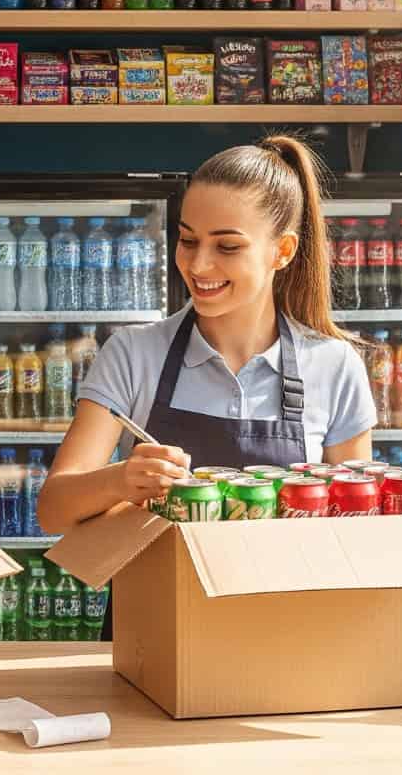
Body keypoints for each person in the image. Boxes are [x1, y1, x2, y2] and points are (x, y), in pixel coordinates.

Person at [36, 135, 375, 532]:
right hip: (157, 595)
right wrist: (119, 480)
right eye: (188, 240)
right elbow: (52, 511)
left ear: (282, 251)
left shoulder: (334, 366)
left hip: (280, 596)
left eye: (227, 247)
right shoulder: (132, 353)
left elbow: (358, 528)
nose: (198, 265)